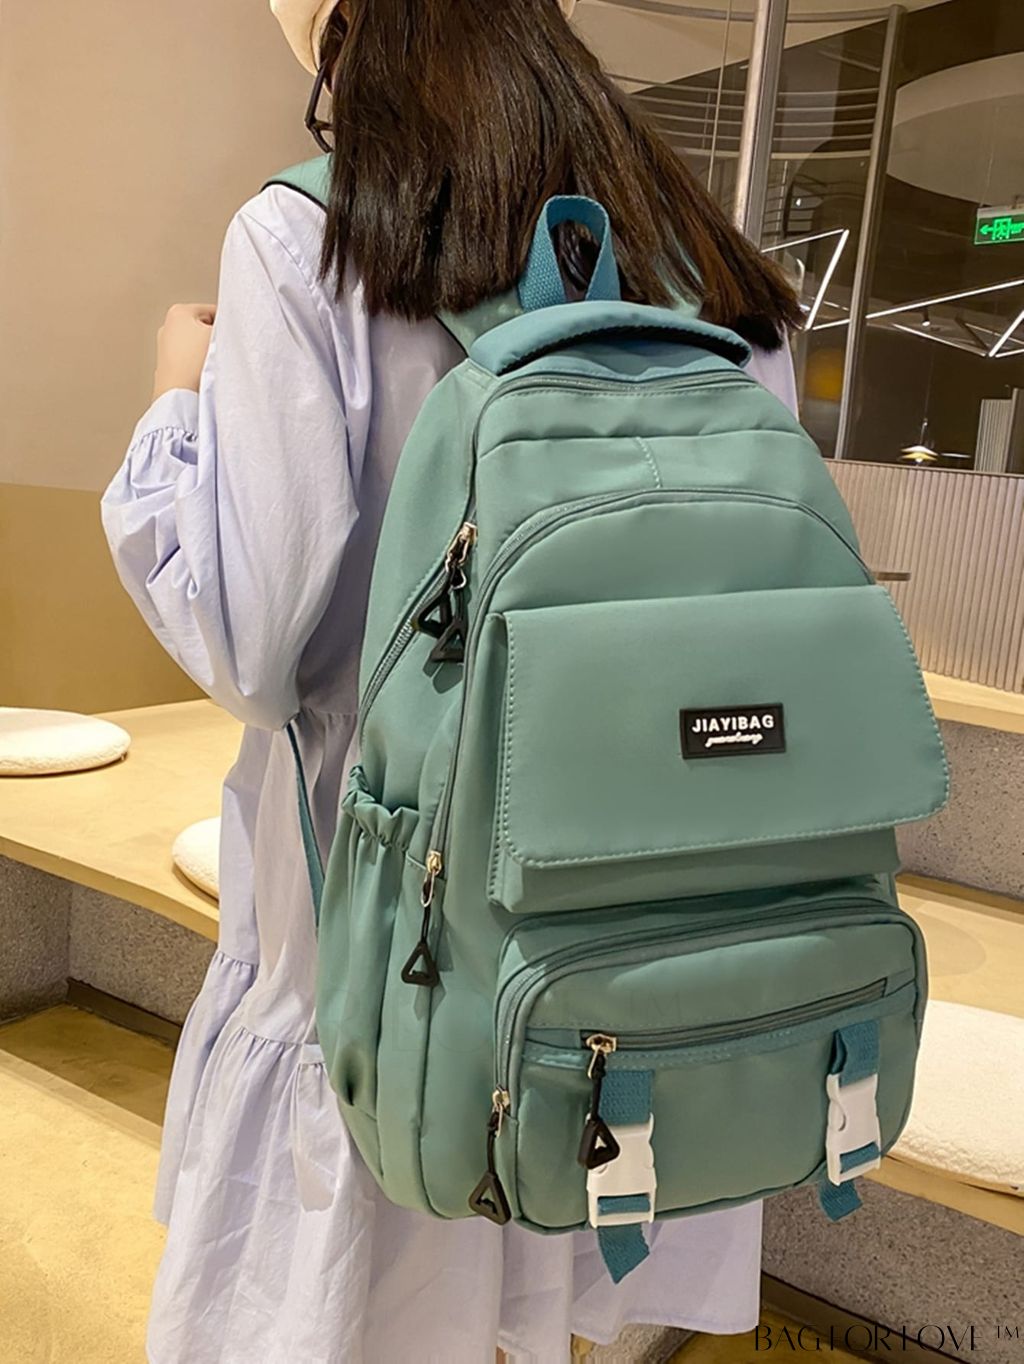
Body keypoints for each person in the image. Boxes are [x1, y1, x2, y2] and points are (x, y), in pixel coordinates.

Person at [102, 1, 803, 1359]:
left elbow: (249, 645)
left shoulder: (311, 241)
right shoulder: (710, 273)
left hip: (397, 963)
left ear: (345, 39)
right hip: (651, 937)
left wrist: (175, 404)